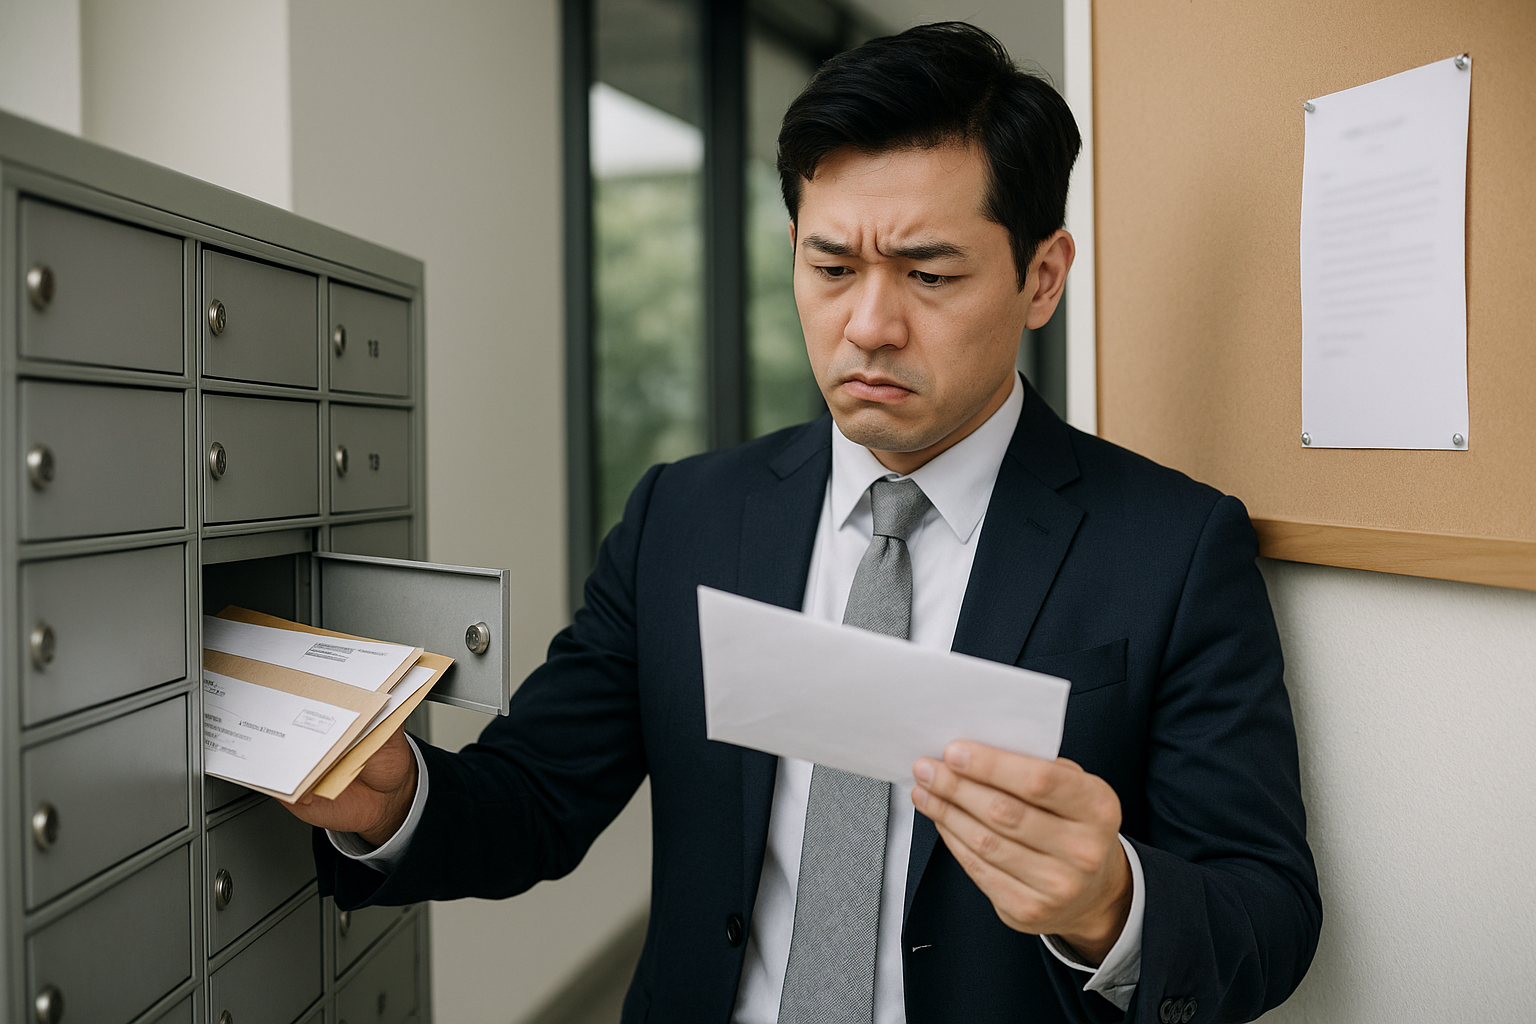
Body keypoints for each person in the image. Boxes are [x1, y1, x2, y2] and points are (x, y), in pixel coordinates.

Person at [292, 22, 1320, 1023]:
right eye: (831, 269)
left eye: (929, 273)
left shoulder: (1174, 549)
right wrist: (394, 797)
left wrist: (1110, 903)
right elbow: (533, 799)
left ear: (1040, 276)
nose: (868, 324)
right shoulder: (682, 519)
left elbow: (1266, 913)